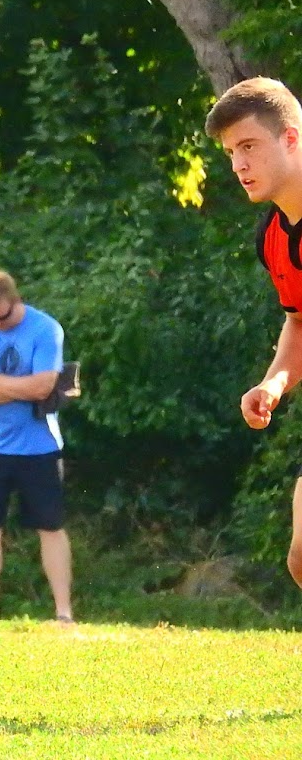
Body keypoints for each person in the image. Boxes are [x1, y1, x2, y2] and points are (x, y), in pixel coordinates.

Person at [205, 76, 302, 590]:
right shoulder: (271, 237)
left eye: (249, 146)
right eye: (230, 152)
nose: (239, 164)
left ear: (290, 139)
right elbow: (299, 320)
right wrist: (274, 383)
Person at [0, 270, 73, 623]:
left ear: (16, 301)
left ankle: (63, 612)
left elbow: (44, 386)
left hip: (40, 445)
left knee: (50, 526)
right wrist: (11, 387)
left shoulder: (45, 329)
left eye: (2, 317)